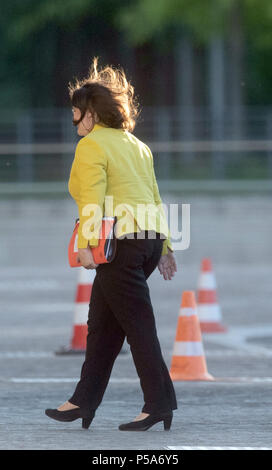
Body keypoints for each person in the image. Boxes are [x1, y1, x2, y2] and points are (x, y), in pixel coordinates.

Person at [45, 58, 178, 431]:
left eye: (75, 115)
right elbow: (153, 196)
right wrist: (165, 247)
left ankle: (159, 404)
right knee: (102, 326)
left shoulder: (91, 146)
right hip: (147, 242)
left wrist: (88, 244)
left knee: (138, 327)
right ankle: (82, 402)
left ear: (90, 114)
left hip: (118, 245)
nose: (74, 122)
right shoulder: (138, 145)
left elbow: (92, 199)